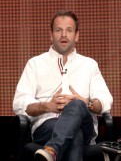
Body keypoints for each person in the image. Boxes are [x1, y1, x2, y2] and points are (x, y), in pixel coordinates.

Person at [13, 9, 113, 161]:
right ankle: (54, 148)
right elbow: (20, 103)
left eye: (69, 30)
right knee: (74, 134)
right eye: (58, 30)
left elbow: (105, 102)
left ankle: (52, 149)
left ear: (77, 35)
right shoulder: (35, 64)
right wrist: (48, 106)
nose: (64, 35)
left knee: (78, 104)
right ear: (51, 35)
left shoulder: (89, 65)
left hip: (85, 126)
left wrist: (86, 103)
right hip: (47, 127)